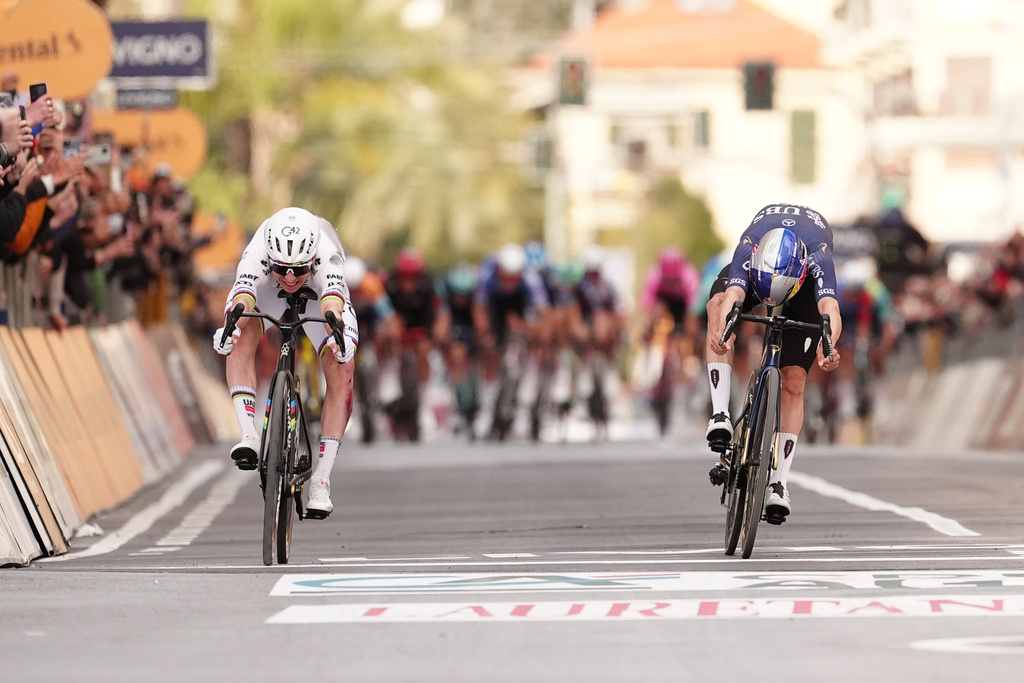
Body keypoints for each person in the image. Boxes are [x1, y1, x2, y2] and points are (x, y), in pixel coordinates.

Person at [213, 207, 358, 519]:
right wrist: (230, 327)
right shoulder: (257, 251)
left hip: (320, 294)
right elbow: (244, 296)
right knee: (238, 335)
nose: (290, 277)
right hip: (267, 291)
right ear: (270, 258)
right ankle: (249, 435)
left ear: (312, 259)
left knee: (343, 370)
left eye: (298, 269)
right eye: (282, 268)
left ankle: (321, 481)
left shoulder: (326, 254)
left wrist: (338, 336)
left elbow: (332, 302)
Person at [705, 204, 843, 523]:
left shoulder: (818, 256)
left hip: (800, 290)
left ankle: (778, 483)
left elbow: (830, 309)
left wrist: (829, 347)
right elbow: (734, 295)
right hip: (759, 276)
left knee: (794, 381)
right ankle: (720, 413)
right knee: (717, 310)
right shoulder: (748, 246)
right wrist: (723, 331)